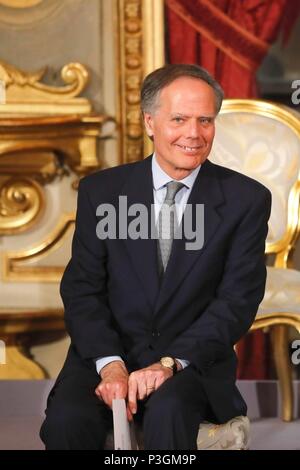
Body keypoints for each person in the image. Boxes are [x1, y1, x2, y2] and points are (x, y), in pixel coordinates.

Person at [40, 64, 271, 450]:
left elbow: (237, 302)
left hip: (191, 361)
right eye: (179, 119)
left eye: (205, 120)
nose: (193, 134)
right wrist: (110, 363)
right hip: (106, 353)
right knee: (68, 421)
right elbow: (82, 290)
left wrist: (169, 363)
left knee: (169, 412)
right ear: (150, 122)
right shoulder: (102, 192)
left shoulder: (246, 200)